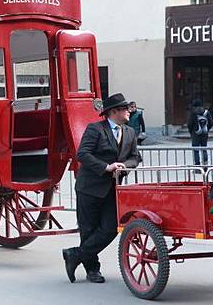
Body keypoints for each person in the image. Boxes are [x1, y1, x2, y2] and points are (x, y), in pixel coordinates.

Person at [62, 93, 142, 284]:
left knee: (111, 227)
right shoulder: (96, 129)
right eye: (125, 109)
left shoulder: (129, 132)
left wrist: (123, 166)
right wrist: (106, 167)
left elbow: (135, 157)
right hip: (89, 187)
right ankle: (93, 271)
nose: (129, 111)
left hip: (113, 188)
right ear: (114, 112)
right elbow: (83, 154)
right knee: (88, 230)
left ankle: (75, 255)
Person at [187, 99, 213, 166]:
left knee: (196, 150)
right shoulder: (206, 112)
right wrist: (207, 129)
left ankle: (197, 166)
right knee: (204, 149)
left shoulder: (193, 113)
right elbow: (211, 123)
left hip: (195, 134)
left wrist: (191, 132)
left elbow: (189, 124)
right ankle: (205, 165)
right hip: (204, 134)